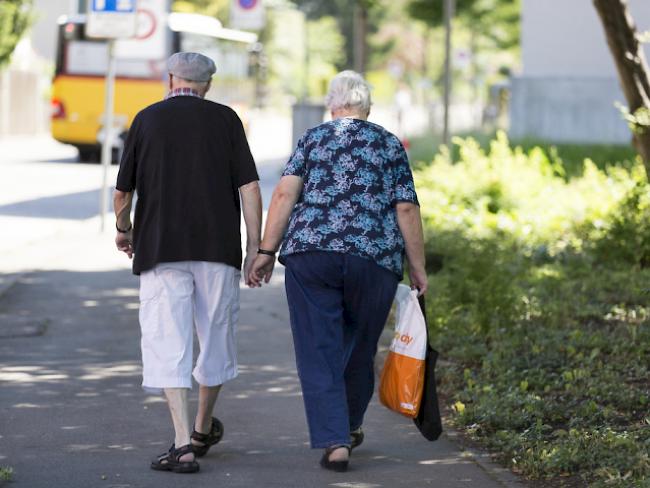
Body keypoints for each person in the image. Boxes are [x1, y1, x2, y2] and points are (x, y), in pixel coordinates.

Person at [248, 70, 427, 472]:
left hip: (312, 255)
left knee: (319, 347)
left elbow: (284, 193)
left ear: (333, 105)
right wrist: (418, 268)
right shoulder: (388, 144)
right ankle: (347, 424)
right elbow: (406, 208)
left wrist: (264, 250)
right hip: (374, 259)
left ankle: (335, 439)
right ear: (368, 107)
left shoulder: (313, 138)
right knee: (360, 346)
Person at [113, 52, 262, 474]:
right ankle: (201, 428)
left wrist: (124, 229)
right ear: (207, 85)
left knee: (167, 341)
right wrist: (255, 249)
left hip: (160, 250)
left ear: (171, 78)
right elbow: (249, 186)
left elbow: (123, 193)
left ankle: (181, 444)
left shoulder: (146, 119)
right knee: (215, 339)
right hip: (218, 250)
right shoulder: (227, 120)